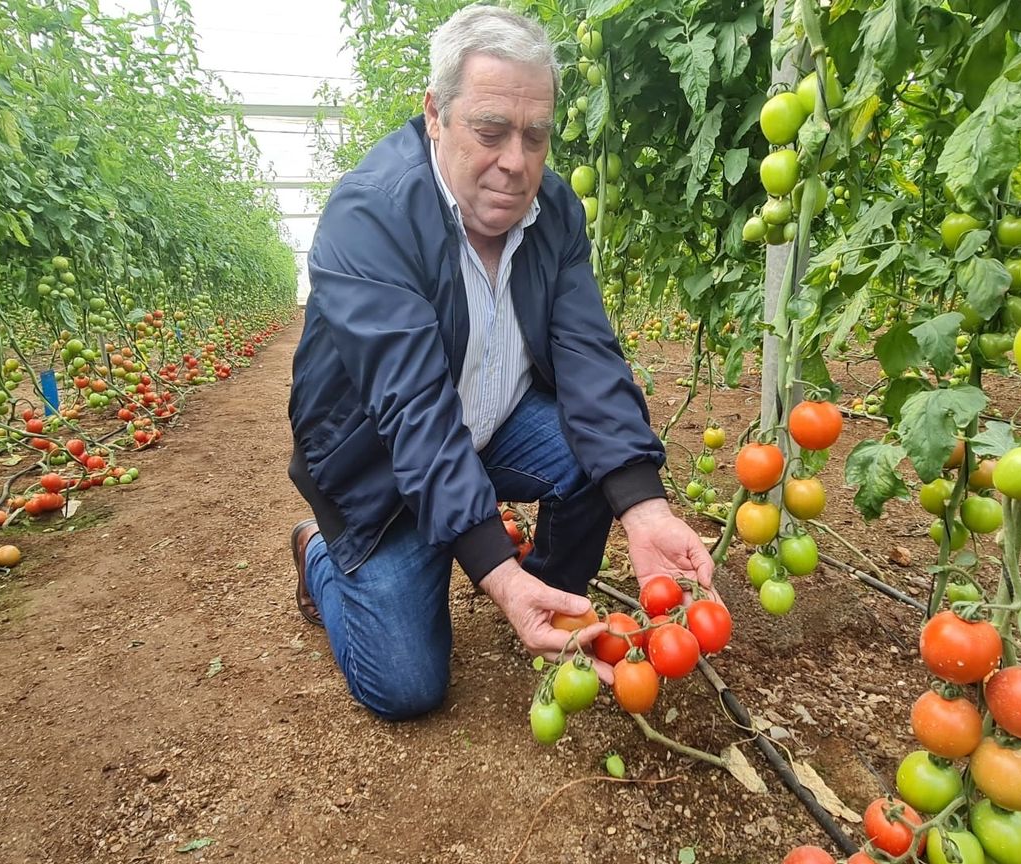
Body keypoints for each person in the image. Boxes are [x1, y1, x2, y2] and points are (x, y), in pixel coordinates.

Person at [287, 5, 714, 721]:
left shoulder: (553, 211)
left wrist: (643, 506)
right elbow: (415, 414)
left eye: (536, 135)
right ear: (435, 114)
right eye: (490, 131)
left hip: (494, 425)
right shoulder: (369, 217)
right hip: (383, 466)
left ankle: (547, 599)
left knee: (591, 459)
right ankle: (318, 557)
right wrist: (495, 568)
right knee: (407, 688)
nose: (516, 162)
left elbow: (588, 358)